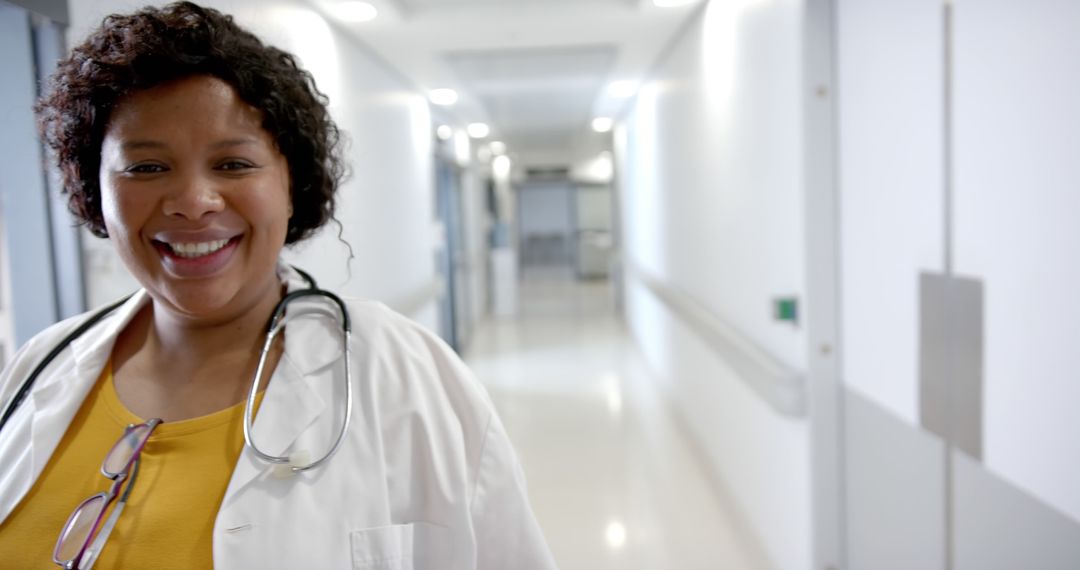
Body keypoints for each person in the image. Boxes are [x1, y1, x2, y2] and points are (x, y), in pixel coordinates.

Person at [0, 2, 557, 568]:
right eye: (145, 168)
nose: (193, 202)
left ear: (293, 185)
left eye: (234, 164)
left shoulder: (406, 378)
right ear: (95, 191)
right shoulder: (38, 368)